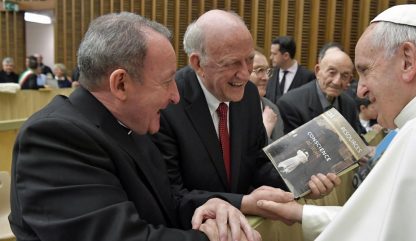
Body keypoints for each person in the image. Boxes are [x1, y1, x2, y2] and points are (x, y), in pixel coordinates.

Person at [10, 12, 261, 241]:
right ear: (120, 84)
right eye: (166, 82)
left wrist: (212, 206)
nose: (175, 96)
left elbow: (167, 201)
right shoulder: (55, 138)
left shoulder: (129, 126)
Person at [256, 4, 416, 241]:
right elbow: (388, 221)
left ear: (407, 61)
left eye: (365, 70)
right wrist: (304, 213)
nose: (360, 90)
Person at [153, 9, 338, 223]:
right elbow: (172, 196)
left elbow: (257, 164)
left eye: (249, 60)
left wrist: (301, 182)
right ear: (198, 63)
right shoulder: (167, 104)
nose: (245, 73)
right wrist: (242, 202)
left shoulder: (248, 94)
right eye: (232, 63)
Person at [276, 42, 360, 134]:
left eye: (345, 76)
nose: (337, 82)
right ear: (317, 71)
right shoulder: (290, 104)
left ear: (350, 79)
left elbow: (355, 140)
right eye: (332, 73)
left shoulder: (349, 105)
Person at [265, 36, 315, 103]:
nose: (270, 57)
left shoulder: (308, 77)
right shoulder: (269, 74)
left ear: (286, 56)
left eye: (274, 54)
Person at [250, 48, 284, 142]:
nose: (266, 78)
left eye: (267, 71)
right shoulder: (229, 108)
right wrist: (266, 130)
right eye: (260, 70)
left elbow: (278, 152)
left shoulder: (272, 108)